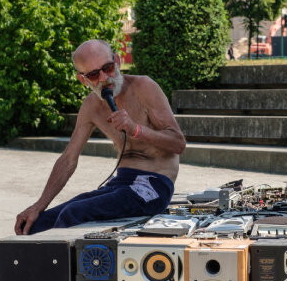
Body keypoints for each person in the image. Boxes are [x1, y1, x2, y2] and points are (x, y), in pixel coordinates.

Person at [14, 39, 186, 235]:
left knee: (74, 213)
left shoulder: (143, 87)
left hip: (153, 185)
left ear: (118, 62)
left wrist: (136, 129)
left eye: (108, 68)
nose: (104, 78)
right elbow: (69, 158)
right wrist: (38, 206)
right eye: (94, 74)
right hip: (120, 183)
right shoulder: (91, 106)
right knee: (37, 225)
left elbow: (178, 143)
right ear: (83, 80)